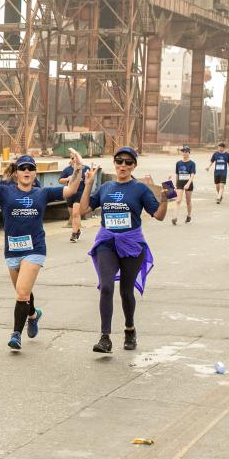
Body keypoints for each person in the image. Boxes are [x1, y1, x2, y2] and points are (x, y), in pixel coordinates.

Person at [0, 146, 83, 350]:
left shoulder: (43, 193)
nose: (27, 172)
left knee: (21, 293)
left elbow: (71, 190)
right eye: (23, 168)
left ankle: (15, 335)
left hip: (35, 248)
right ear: (17, 172)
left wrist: (78, 170)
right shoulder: (4, 191)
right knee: (24, 292)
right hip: (12, 250)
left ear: (35, 172)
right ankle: (33, 315)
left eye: (30, 168)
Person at [80, 146, 168, 354]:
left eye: (128, 162)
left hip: (132, 244)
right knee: (107, 286)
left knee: (126, 291)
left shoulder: (140, 189)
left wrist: (164, 200)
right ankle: (105, 338)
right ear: (115, 163)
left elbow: (159, 215)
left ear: (134, 166)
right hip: (107, 242)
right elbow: (83, 210)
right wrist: (89, 184)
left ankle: (129, 329)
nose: (123, 165)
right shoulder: (105, 187)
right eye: (119, 161)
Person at [59, 149, 90, 242]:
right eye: (72, 158)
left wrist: (88, 180)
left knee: (76, 213)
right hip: (70, 194)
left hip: (80, 194)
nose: (74, 160)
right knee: (73, 215)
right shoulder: (67, 170)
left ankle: (74, 234)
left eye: (76, 157)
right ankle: (78, 230)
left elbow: (89, 180)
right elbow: (60, 180)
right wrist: (67, 179)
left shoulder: (86, 168)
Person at [170, 146, 195, 225]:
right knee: (178, 200)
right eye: (183, 151)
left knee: (188, 201)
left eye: (186, 151)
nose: (184, 153)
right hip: (180, 183)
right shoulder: (178, 163)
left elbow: (192, 175)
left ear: (189, 152)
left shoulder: (192, 163)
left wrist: (188, 183)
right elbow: (177, 174)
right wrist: (176, 185)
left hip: (188, 183)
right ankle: (174, 217)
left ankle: (189, 215)